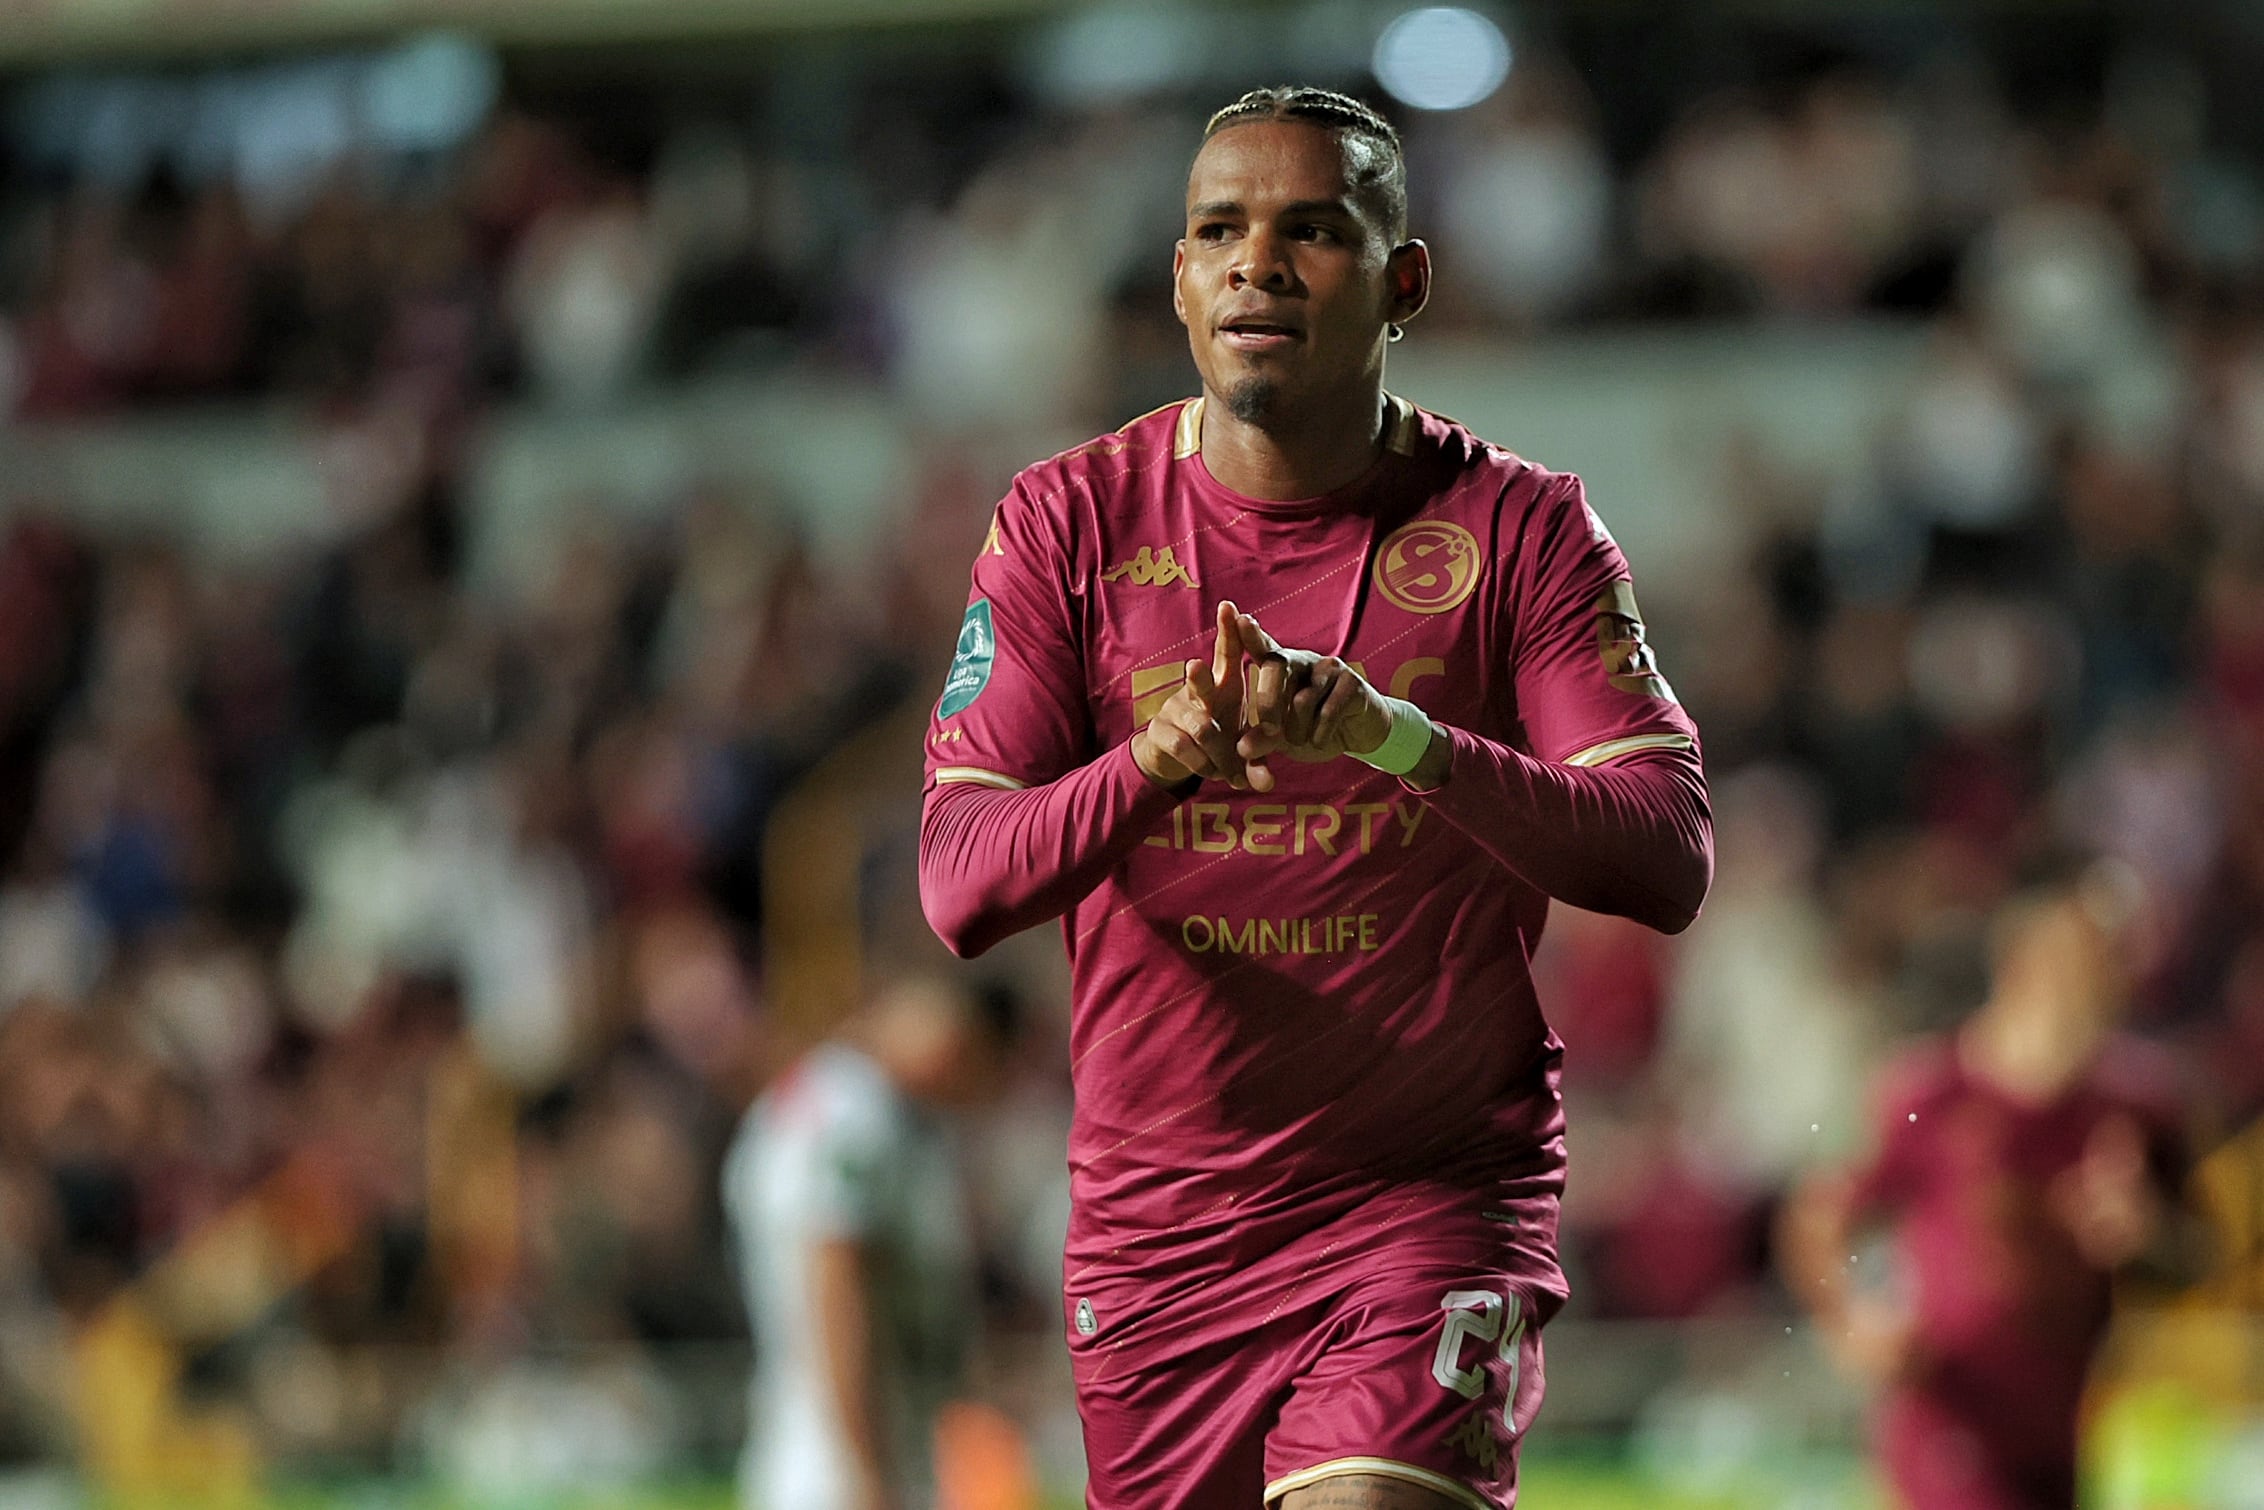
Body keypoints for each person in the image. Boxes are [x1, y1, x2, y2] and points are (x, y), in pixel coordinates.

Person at [916, 86, 1711, 1510]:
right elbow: (960, 882)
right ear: (1178, 279)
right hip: (1161, 1241)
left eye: (1312, 231)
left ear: (1405, 278)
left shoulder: (1519, 525)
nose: (1257, 264)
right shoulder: (1068, 523)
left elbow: (1666, 853)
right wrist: (1158, 759)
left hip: (1427, 1204)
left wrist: (1398, 742)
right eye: (1219, 229)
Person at [1780, 866, 2203, 1510]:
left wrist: (2146, 1236)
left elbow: (2195, 1262)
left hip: (2063, 1428)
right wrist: (1854, 1320)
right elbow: (1821, 1216)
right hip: (1951, 1422)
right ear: (2021, 967)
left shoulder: (2133, 1110)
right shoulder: (1930, 1094)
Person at [723, 974, 1019, 1510]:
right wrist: (869, 1478)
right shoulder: (852, 1112)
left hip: (844, 1454)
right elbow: (837, 1289)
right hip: (838, 1472)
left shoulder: (876, 1110)